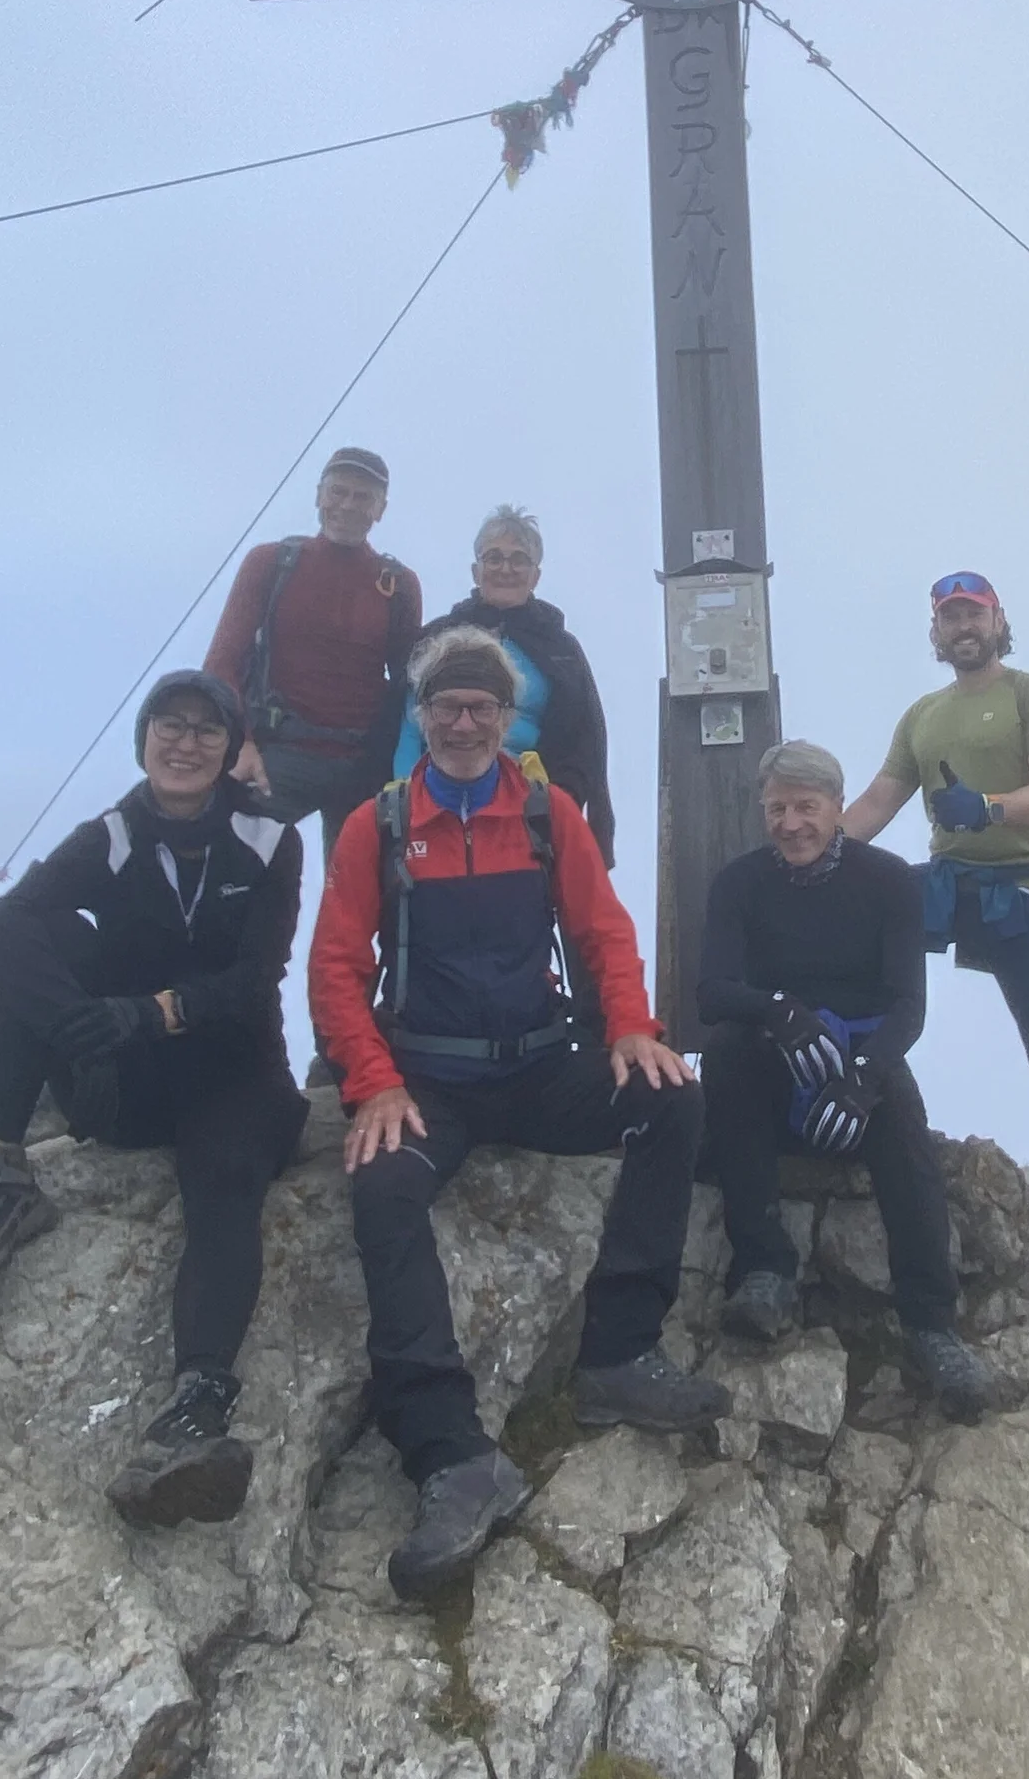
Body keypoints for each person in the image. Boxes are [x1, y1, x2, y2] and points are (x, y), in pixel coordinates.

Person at [309, 626, 727, 1597]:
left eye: (481, 707)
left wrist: (630, 1025)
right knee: (381, 1190)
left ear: (505, 718)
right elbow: (336, 968)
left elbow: (601, 928)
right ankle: (451, 1449)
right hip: (431, 1082)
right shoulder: (378, 823)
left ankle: (619, 1351)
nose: (463, 722)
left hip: (540, 1067)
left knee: (673, 1101)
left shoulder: (547, 812)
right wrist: (371, 1083)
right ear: (422, 719)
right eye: (446, 706)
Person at [0, 671, 308, 1527]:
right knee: (40, 938)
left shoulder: (269, 838)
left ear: (229, 751)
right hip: (123, 1085)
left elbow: (256, 977)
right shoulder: (111, 834)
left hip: (234, 1077)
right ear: (144, 740)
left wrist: (147, 1014)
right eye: (170, 725)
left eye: (208, 730)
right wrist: (74, 1024)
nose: (186, 742)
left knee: (223, 1180)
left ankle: (196, 1405)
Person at [842, 571, 1029, 1308]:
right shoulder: (922, 715)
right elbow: (878, 800)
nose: (963, 626)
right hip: (950, 883)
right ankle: (839, 1123)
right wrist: (811, 846)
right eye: (949, 617)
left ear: (1000, 622)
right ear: (935, 632)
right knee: (853, 968)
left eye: (975, 614)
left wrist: (988, 808)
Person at [698, 741, 994, 1421]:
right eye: (776, 809)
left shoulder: (888, 879)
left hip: (862, 1054)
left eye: (807, 807)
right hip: (773, 1057)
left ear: (837, 808)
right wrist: (780, 1012)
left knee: (906, 1135)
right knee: (727, 1059)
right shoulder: (739, 883)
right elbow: (713, 993)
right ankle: (766, 1271)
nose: (791, 823)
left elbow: (908, 1007)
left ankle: (930, 1326)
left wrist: (862, 1080)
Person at [204, 447, 423, 862]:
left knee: (363, 898)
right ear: (318, 496)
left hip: (361, 764)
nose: (347, 505)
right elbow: (220, 665)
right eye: (338, 492)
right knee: (235, 874)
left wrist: (402, 771)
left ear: (381, 509)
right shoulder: (271, 562)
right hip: (276, 755)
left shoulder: (398, 584)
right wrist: (242, 747)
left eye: (363, 497)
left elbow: (410, 687)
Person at [392, 505, 616, 866]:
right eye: (493, 557)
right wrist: (404, 796)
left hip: (528, 802)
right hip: (436, 796)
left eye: (519, 559)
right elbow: (407, 724)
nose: (505, 568)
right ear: (475, 570)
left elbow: (584, 738)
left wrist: (559, 803)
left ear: (536, 575)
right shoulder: (437, 636)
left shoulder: (561, 649)